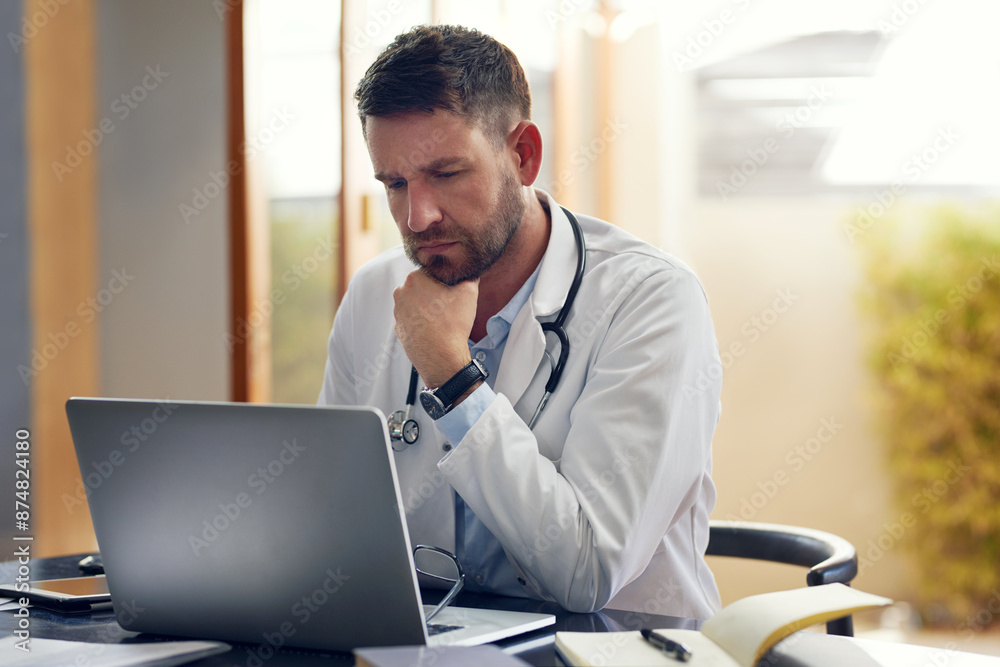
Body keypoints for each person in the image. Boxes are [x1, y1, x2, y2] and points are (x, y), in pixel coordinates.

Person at [318, 24, 722, 618]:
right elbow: (332, 520)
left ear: (523, 155)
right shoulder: (375, 293)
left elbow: (587, 576)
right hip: (435, 645)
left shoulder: (651, 301)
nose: (417, 216)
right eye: (395, 184)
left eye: (447, 174)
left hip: (615, 647)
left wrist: (453, 378)